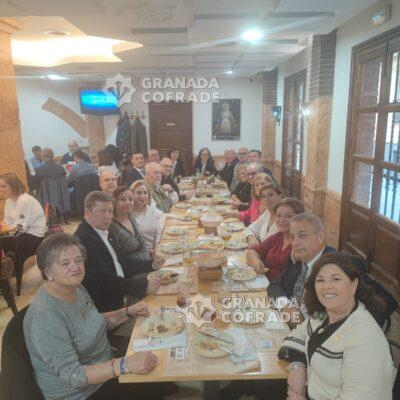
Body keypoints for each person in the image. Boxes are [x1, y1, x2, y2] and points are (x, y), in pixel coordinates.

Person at [23, 233, 162, 400]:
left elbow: (92, 322)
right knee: (153, 387)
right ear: (47, 272)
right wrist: (124, 365)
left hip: (106, 366)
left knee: (159, 362)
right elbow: (74, 375)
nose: (75, 267)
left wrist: (127, 312)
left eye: (78, 260)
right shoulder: (45, 317)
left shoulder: (75, 288)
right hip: (82, 392)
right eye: (65, 263)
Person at [280, 252, 395, 400]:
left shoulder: (366, 341)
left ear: (354, 284)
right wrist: (298, 367)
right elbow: (297, 335)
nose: (326, 287)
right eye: (320, 280)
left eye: (336, 279)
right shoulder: (322, 315)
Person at [74, 191, 161, 312]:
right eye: (102, 211)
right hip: (110, 306)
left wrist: (152, 264)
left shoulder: (105, 231)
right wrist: (143, 286)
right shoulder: (84, 239)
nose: (108, 216)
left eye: (110, 211)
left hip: (124, 291)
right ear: (87, 213)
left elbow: (125, 262)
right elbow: (104, 280)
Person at [247, 198, 304, 280]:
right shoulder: (278, 236)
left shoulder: (301, 244)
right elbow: (252, 251)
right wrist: (255, 262)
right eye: (278, 215)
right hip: (264, 283)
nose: (282, 220)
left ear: (299, 218)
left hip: (279, 290)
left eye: (288, 216)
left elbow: (292, 280)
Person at [0, 173, 46, 268]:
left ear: (14, 185)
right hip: (21, 232)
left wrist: (5, 234)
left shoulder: (24, 200)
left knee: (4, 242)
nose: (1, 190)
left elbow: (20, 228)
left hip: (35, 235)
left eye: (4, 186)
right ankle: (7, 269)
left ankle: (9, 270)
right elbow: (7, 221)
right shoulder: (9, 200)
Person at [109, 186, 153, 264]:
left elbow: (140, 246)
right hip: (135, 271)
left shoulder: (130, 216)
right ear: (115, 202)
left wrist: (151, 253)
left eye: (130, 199)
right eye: (123, 199)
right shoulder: (111, 226)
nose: (128, 202)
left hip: (148, 261)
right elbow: (120, 259)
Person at [244, 183, 286, 247]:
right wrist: (251, 238)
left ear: (280, 196)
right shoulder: (267, 213)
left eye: (270, 195)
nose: (266, 199)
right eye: (263, 197)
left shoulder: (285, 218)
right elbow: (250, 229)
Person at [130, 180, 164, 255]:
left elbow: (158, 232)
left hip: (156, 250)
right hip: (142, 255)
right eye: (139, 193)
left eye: (145, 193)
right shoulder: (129, 216)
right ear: (132, 194)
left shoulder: (151, 209)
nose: (142, 196)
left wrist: (157, 246)